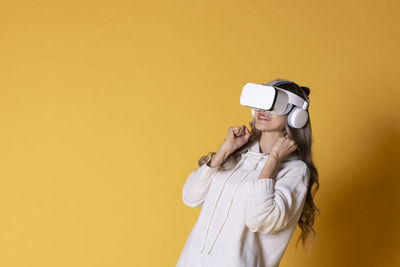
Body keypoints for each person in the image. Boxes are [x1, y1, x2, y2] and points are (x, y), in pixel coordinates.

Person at [177, 79, 320, 267]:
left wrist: (274, 159)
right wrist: (225, 151)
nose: (264, 109)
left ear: (296, 115)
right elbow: (190, 197)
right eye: (261, 102)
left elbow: (260, 219)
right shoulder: (239, 154)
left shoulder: (295, 170)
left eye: (275, 105)